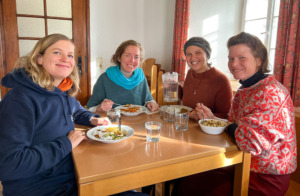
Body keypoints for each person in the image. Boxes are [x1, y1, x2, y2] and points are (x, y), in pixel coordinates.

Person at [0, 34, 147, 196]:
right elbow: (8, 165)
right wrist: (65, 144)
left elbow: (76, 110)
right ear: (39, 58)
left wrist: (93, 119)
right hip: (43, 188)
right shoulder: (20, 99)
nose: (65, 59)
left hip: (74, 175)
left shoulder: (61, 90)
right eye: (57, 52)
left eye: (70, 55)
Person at [173, 32, 297, 196]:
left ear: (259, 61)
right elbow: (235, 124)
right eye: (231, 58)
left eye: (242, 58)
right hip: (240, 162)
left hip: (265, 176)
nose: (234, 64)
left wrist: (227, 125)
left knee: (189, 186)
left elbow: (249, 142)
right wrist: (212, 118)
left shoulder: (271, 93)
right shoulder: (245, 89)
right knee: (184, 176)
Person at [86, 40, 159, 113]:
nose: (132, 60)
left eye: (136, 57)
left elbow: (148, 100)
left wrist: (151, 103)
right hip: (113, 122)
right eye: (128, 55)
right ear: (119, 58)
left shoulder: (141, 78)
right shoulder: (104, 79)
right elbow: (91, 108)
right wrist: (101, 108)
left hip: (138, 122)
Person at [179, 37, 232, 120]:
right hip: (187, 125)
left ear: (207, 55)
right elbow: (188, 96)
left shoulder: (221, 80)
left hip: (208, 131)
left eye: (198, 52)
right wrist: (174, 86)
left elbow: (226, 116)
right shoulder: (190, 73)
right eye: (189, 54)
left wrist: (202, 115)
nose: (193, 58)